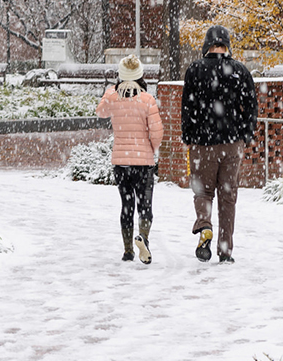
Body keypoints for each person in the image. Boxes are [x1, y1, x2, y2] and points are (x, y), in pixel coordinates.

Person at [180, 25, 259, 263]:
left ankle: (205, 226)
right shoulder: (239, 71)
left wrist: (189, 135)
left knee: (203, 191)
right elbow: (252, 106)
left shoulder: (195, 70)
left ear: (207, 44)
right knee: (228, 196)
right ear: (227, 45)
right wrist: (246, 133)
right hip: (232, 143)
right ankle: (225, 250)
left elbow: (187, 107)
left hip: (203, 144)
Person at [96, 54, 164, 264]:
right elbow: (157, 131)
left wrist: (111, 91)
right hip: (143, 163)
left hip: (121, 162)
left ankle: (127, 250)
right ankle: (142, 237)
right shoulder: (147, 99)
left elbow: (101, 112)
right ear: (140, 75)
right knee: (145, 206)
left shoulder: (113, 97)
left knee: (126, 206)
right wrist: (152, 150)